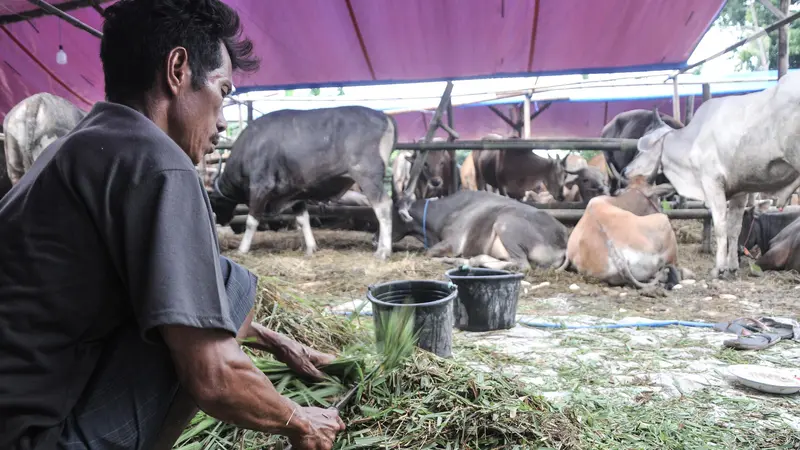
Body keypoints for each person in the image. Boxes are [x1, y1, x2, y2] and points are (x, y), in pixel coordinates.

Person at [0, 1, 346, 449]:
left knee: (220, 283)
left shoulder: (78, 148)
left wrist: (276, 341)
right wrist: (299, 420)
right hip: (38, 439)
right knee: (233, 289)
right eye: (223, 92)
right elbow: (214, 377)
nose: (222, 122)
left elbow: (166, 291)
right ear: (178, 69)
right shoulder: (160, 164)